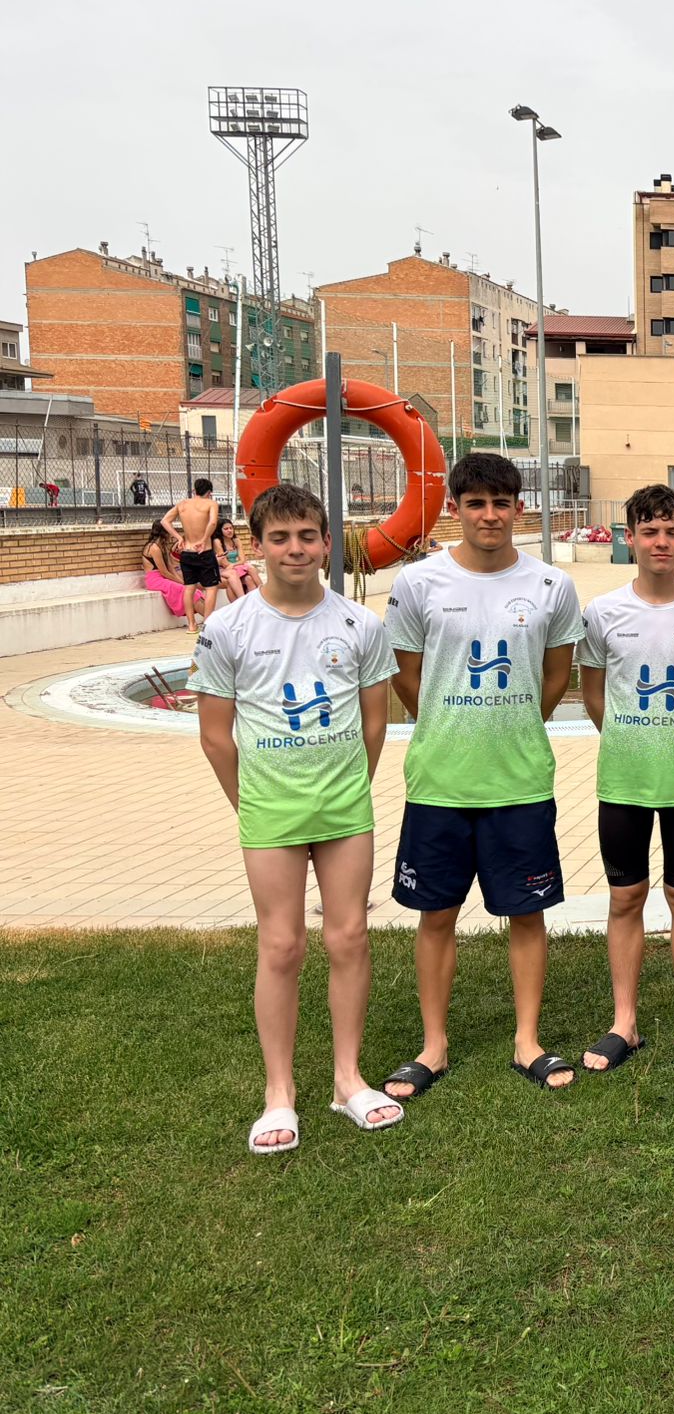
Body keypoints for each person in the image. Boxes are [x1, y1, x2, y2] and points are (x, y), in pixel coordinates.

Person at [189, 482, 403, 1154]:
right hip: (270, 812)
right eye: (279, 538)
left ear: (327, 542)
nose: (295, 549)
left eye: (307, 536)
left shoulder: (360, 625)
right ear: (257, 545)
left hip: (344, 809)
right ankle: (278, 1093)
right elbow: (215, 736)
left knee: (350, 938)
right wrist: (251, 802)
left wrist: (349, 788)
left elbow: (374, 723)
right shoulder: (228, 629)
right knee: (281, 945)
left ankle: (347, 1080)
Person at [380, 452, 585, 1100]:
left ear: (520, 508)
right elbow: (407, 676)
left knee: (526, 914)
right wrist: (449, 720)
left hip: (519, 782)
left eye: (501, 503)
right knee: (436, 915)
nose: (490, 515)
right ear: (455, 509)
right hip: (440, 780)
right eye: (476, 503)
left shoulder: (551, 586)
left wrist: (514, 721)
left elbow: (556, 676)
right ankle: (433, 1045)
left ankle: (528, 1040)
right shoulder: (418, 583)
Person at [573, 484, 674, 1078]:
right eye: (649, 531)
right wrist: (632, 738)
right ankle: (624, 1021)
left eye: (671, 531)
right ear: (629, 538)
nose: (661, 542)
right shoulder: (604, 612)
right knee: (625, 898)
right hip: (625, 781)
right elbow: (594, 694)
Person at [163, 478, 222, 634]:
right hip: (204, 551)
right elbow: (213, 523)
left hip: (187, 552)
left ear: (194, 490)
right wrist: (203, 540)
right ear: (209, 493)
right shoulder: (211, 504)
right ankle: (207, 624)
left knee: (189, 588)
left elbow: (165, 521)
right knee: (211, 588)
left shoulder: (182, 504)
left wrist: (179, 537)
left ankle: (191, 625)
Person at [141, 523, 190, 620]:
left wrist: (182, 581)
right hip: (154, 580)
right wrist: (181, 583)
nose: (172, 534)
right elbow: (164, 572)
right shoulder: (154, 548)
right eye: (170, 531)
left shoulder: (163, 547)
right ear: (164, 533)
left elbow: (170, 568)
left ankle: (207, 618)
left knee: (192, 590)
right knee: (185, 590)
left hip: (163, 578)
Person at [216, 518, 261, 601]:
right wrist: (237, 564)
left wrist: (234, 564)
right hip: (224, 569)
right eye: (226, 529)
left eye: (231, 528)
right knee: (250, 568)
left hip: (235, 567)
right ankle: (262, 592)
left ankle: (256, 599)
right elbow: (225, 564)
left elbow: (243, 559)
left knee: (249, 579)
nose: (229, 531)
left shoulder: (236, 540)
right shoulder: (217, 542)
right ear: (220, 530)